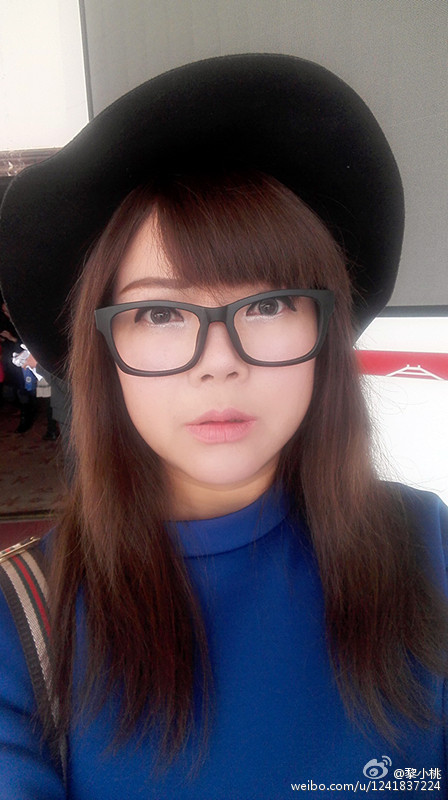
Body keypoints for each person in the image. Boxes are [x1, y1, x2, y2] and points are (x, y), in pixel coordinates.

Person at [0, 54, 446, 799]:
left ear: (323, 332)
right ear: (104, 352)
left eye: (267, 305)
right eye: (161, 313)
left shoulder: (428, 548)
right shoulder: (20, 627)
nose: (219, 363)